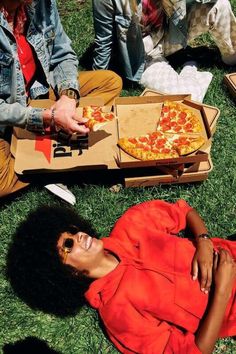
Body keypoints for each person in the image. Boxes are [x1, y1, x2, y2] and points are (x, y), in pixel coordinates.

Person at [10, 199, 236, 353]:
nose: (78, 235)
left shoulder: (131, 226)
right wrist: (222, 291)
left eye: (71, 229)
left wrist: (204, 240)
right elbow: (193, 351)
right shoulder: (119, 313)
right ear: (68, 273)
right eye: (67, 244)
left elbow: (183, 210)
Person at [0, 0, 122, 198]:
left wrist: (68, 96)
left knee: (109, 82)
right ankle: (48, 165)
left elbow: (62, 53)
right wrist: (43, 116)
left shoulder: (41, 4)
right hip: (8, 116)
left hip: (40, 92)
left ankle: (40, 153)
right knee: (1, 183)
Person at [92, 0, 236, 84]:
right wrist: (97, 84)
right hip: (140, 56)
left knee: (220, 5)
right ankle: (190, 64)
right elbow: (104, 42)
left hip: (170, 35)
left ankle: (231, 59)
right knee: (184, 94)